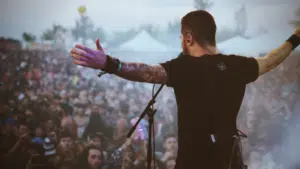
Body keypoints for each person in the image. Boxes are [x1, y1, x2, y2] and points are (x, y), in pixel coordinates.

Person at [70, 10, 300, 169]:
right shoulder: (238, 65)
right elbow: (271, 60)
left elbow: (145, 71)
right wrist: (295, 38)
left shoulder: (183, 67)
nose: (181, 41)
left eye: (182, 37)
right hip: (228, 157)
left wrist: (109, 63)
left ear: (188, 38)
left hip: (193, 159)